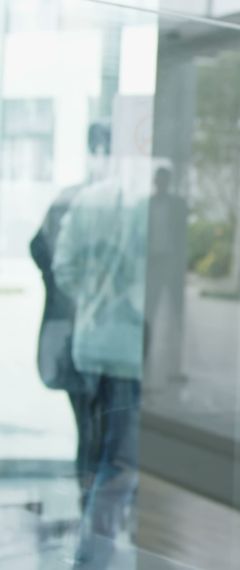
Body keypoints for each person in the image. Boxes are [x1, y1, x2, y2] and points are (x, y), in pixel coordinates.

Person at [47, 121, 148, 570]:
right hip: (126, 353)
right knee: (119, 462)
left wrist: (91, 300)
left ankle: (92, 540)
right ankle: (93, 556)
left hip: (87, 345)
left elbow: (62, 267)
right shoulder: (144, 207)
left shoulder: (87, 201)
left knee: (92, 453)